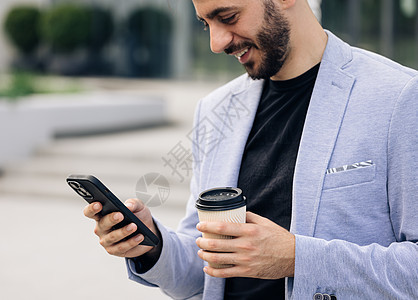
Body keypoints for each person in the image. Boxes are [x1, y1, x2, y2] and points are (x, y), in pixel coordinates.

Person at [83, 0, 418, 299]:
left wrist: (296, 258)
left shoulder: (400, 98)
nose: (216, 43)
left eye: (227, 17)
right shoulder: (215, 110)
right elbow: (203, 269)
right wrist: (151, 245)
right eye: (206, 24)